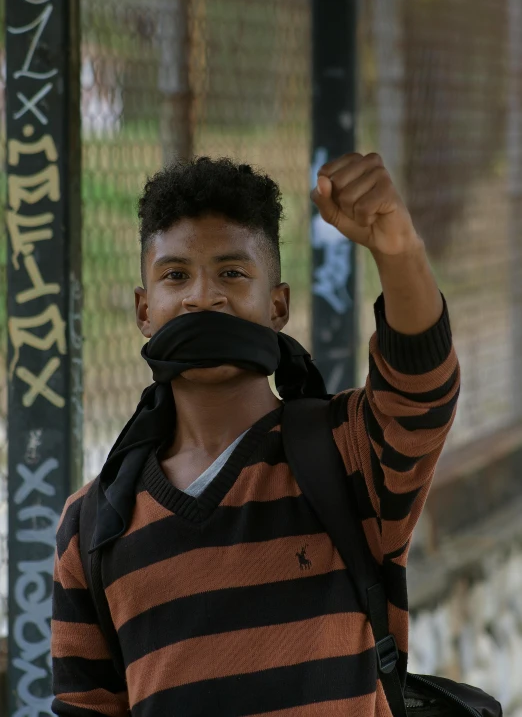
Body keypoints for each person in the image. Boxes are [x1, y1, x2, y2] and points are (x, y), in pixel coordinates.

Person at [51, 152, 459, 716]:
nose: (203, 296)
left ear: (278, 306)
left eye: (232, 273)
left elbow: (421, 390)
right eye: (175, 275)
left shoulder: (347, 455)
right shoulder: (92, 526)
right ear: (144, 310)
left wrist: (398, 247)